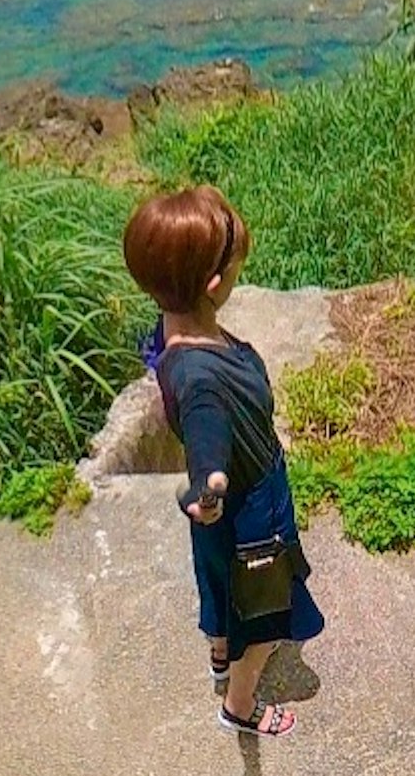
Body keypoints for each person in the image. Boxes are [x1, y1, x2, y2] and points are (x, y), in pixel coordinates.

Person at [121, 181, 321, 736]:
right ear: (214, 284)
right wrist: (208, 483)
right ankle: (239, 704)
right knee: (266, 616)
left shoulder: (173, 333)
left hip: (221, 514)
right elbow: (207, 434)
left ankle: (218, 649)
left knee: (217, 577)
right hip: (251, 507)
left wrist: (209, 497)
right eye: (236, 269)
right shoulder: (201, 378)